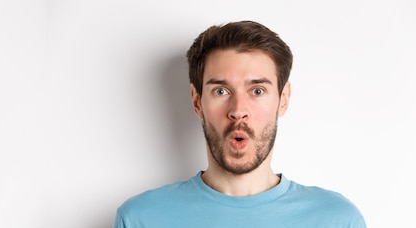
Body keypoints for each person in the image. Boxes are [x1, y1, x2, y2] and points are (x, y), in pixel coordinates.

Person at [113, 20, 366, 228]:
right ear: (197, 101)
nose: (238, 111)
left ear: (283, 99)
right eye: (221, 91)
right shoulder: (140, 219)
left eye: (257, 91)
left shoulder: (338, 220)